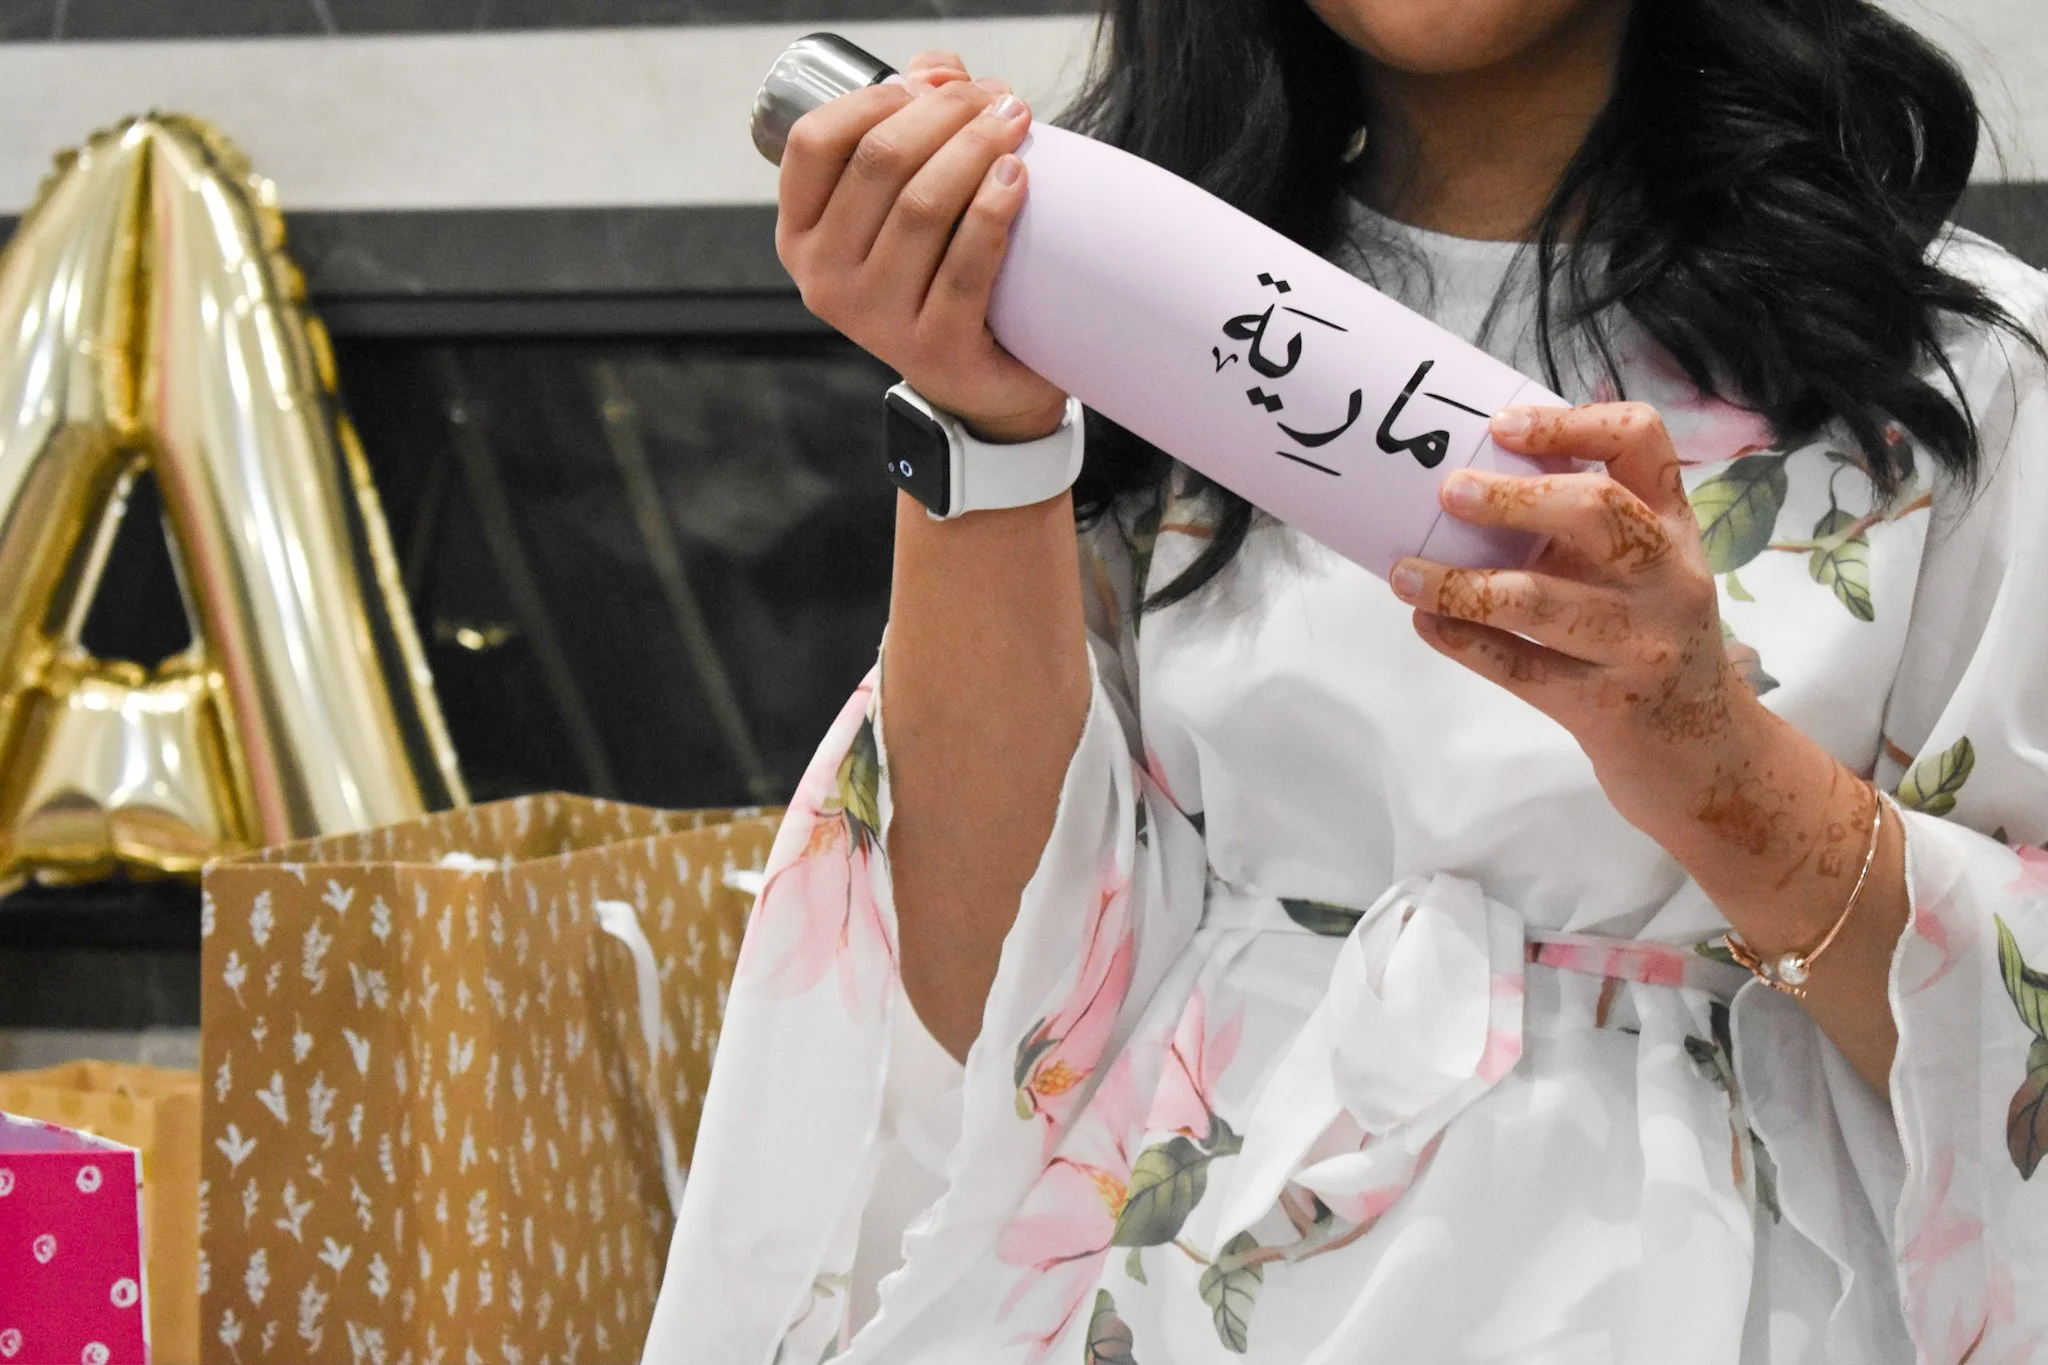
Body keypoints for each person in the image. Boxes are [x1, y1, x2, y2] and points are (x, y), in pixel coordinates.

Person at [647, 0, 2048, 1359]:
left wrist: (1725, 779)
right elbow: (978, 1000)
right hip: (1195, 1276)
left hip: (1736, 1287)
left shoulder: (1960, 370)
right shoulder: (1139, 301)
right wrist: (981, 429)